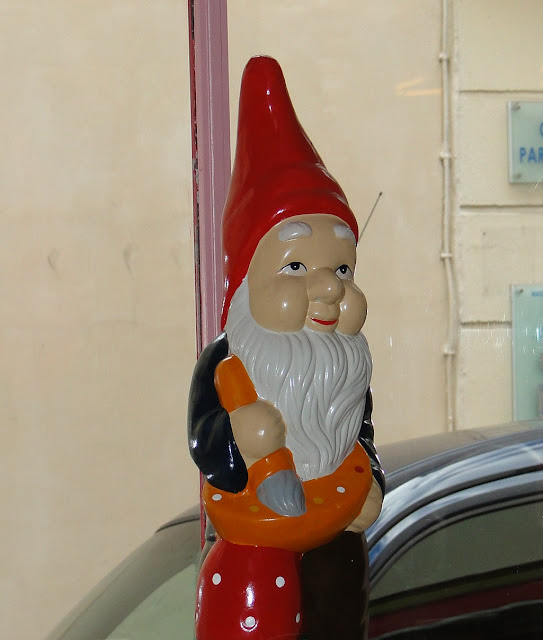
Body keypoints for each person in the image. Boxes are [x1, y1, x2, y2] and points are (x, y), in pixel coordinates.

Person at [188, 56, 384, 640]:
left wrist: (371, 477)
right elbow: (204, 438)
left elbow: (359, 426)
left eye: (343, 268)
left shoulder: (344, 364)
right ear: (247, 286)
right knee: (253, 604)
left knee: (340, 599)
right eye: (296, 267)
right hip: (257, 537)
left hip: (336, 526)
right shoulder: (228, 363)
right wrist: (236, 442)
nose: (330, 288)